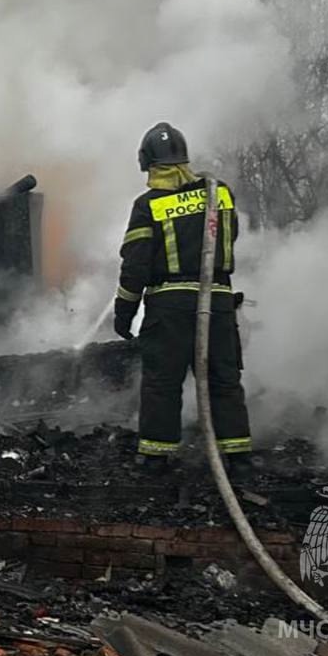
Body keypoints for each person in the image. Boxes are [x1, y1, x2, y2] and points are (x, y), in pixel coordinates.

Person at [113, 123, 253, 475]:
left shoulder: (148, 205)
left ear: (148, 164)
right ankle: (239, 458)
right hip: (218, 302)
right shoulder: (218, 192)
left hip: (170, 307)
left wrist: (124, 312)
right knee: (223, 379)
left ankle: (155, 458)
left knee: (162, 381)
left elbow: (135, 265)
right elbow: (229, 237)